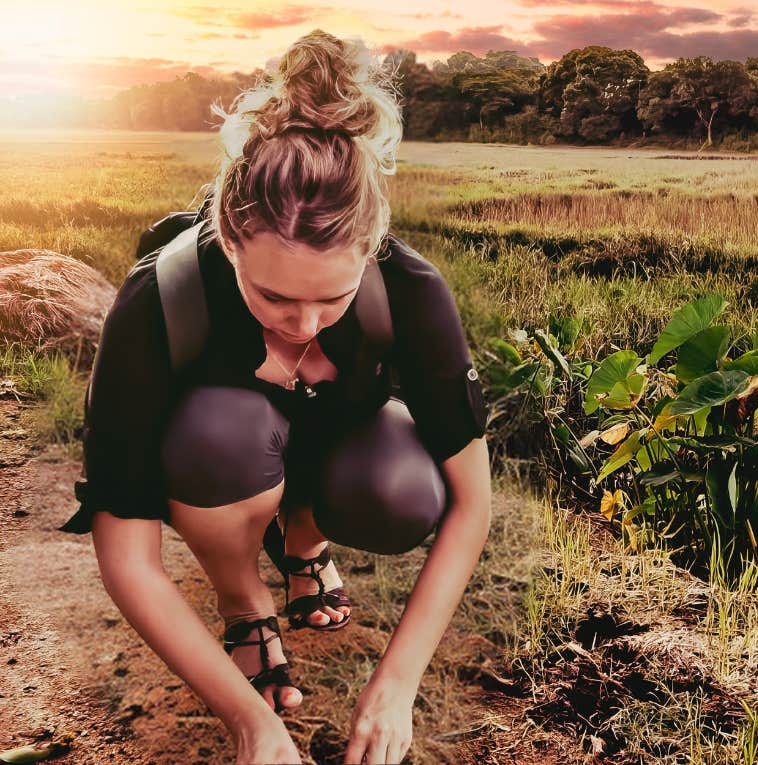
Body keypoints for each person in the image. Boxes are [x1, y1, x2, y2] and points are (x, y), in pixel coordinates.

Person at [56, 30, 492, 765]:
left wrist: (396, 683)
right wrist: (249, 725)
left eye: (333, 297)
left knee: (405, 490)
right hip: (223, 461)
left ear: (371, 244)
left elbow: (472, 502)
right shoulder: (157, 301)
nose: (305, 323)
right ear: (228, 237)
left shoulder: (413, 292)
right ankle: (243, 599)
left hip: (342, 452)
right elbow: (126, 553)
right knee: (221, 430)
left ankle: (303, 544)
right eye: (274, 296)